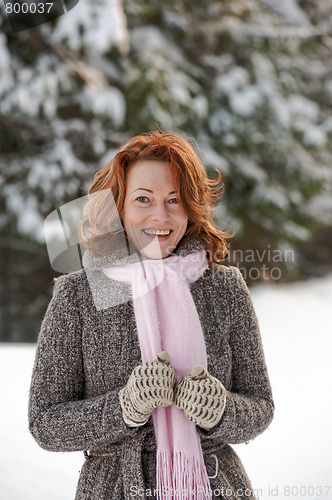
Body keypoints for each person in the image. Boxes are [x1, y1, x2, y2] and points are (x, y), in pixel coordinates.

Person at [28, 131, 274, 499]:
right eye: (143, 199)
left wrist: (220, 410)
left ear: (190, 208)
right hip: (113, 489)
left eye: (174, 200)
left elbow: (261, 406)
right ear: (117, 207)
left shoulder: (224, 288)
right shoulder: (77, 295)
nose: (161, 216)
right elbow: (45, 423)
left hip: (216, 486)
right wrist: (124, 407)